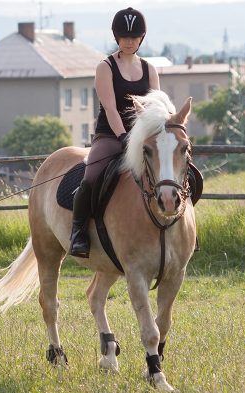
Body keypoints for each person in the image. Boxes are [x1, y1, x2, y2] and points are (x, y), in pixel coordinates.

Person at [69, 7, 160, 258]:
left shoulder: (150, 69)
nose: (129, 41)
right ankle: (78, 233)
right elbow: (110, 108)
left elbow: (155, 109)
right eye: (124, 37)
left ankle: (183, 230)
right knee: (91, 177)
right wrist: (123, 138)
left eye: (134, 37)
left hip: (143, 137)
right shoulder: (105, 67)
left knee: (176, 173)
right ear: (116, 37)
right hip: (111, 136)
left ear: (141, 38)